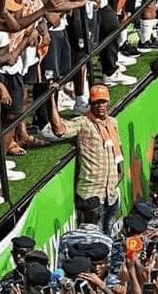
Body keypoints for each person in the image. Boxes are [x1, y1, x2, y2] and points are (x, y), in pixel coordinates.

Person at [49, 84, 123, 235]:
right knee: (93, 240)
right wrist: (51, 99)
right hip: (91, 196)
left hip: (111, 195)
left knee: (109, 237)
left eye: (103, 102)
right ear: (90, 104)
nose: (100, 106)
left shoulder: (112, 122)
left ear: (108, 103)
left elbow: (119, 151)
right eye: (96, 102)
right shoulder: (83, 123)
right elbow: (59, 130)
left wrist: (120, 173)